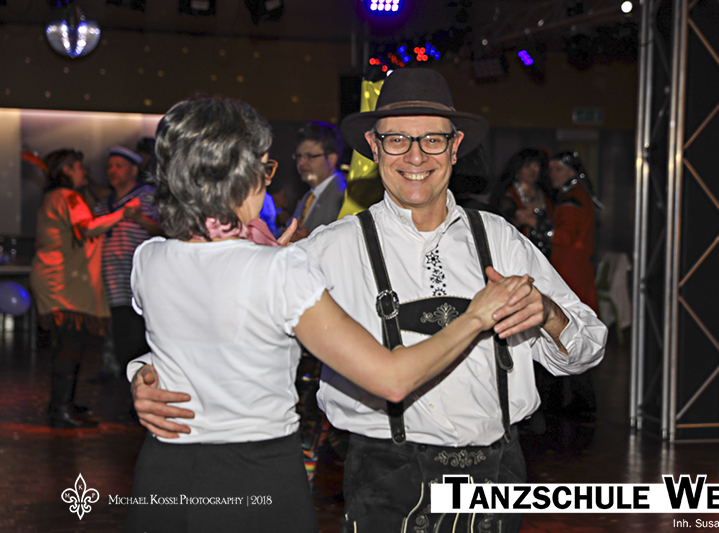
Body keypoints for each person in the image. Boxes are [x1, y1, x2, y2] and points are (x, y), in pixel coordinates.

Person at [131, 70, 607, 532]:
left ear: (455, 146)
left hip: (498, 477)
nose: (415, 156)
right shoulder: (327, 248)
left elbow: (589, 346)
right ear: (374, 147)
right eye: (397, 139)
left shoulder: (501, 240)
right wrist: (149, 373)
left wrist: (549, 314)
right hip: (387, 479)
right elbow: (226, 318)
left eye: (433, 139)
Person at [30, 149, 139, 428]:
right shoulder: (67, 196)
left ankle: (64, 403)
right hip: (62, 282)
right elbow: (87, 228)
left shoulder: (56, 197)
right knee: (70, 343)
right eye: (79, 166)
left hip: (60, 278)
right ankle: (60, 409)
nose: (85, 172)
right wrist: (124, 213)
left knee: (69, 343)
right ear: (67, 170)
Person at [540, 150, 604, 421]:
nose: (552, 174)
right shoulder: (577, 196)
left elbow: (565, 236)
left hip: (570, 276)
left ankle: (575, 400)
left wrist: (537, 226)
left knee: (568, 331)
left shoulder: (571, 200)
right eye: (552, 169)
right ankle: (580, 399)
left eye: (558, 169)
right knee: (575, 331)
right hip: (577, 273)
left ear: (570, 172)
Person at [92, 146, 162, 385]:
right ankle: (127, 392)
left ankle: (142, 394)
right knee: (121, 342)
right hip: (111, 284)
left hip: (141, 285)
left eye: (119, 166)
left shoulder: (149, 197)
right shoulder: (103, 204)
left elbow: (168, 233)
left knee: (139, 343)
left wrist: (139, 218)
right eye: (110, 166)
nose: (112, 171)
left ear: (133, 170)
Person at [288, 121, 347, 240]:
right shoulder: (309, 196)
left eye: (310, 156)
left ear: (331, 159)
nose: (301, 163)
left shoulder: (341, 196)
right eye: (299, 156)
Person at [495, 148, 553, 257]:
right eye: (527, 166)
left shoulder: (547, 194)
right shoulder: (508, 196)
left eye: (536, 166)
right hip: (519, 252)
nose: (532, 171)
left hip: (546, 252)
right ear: (518, 169)